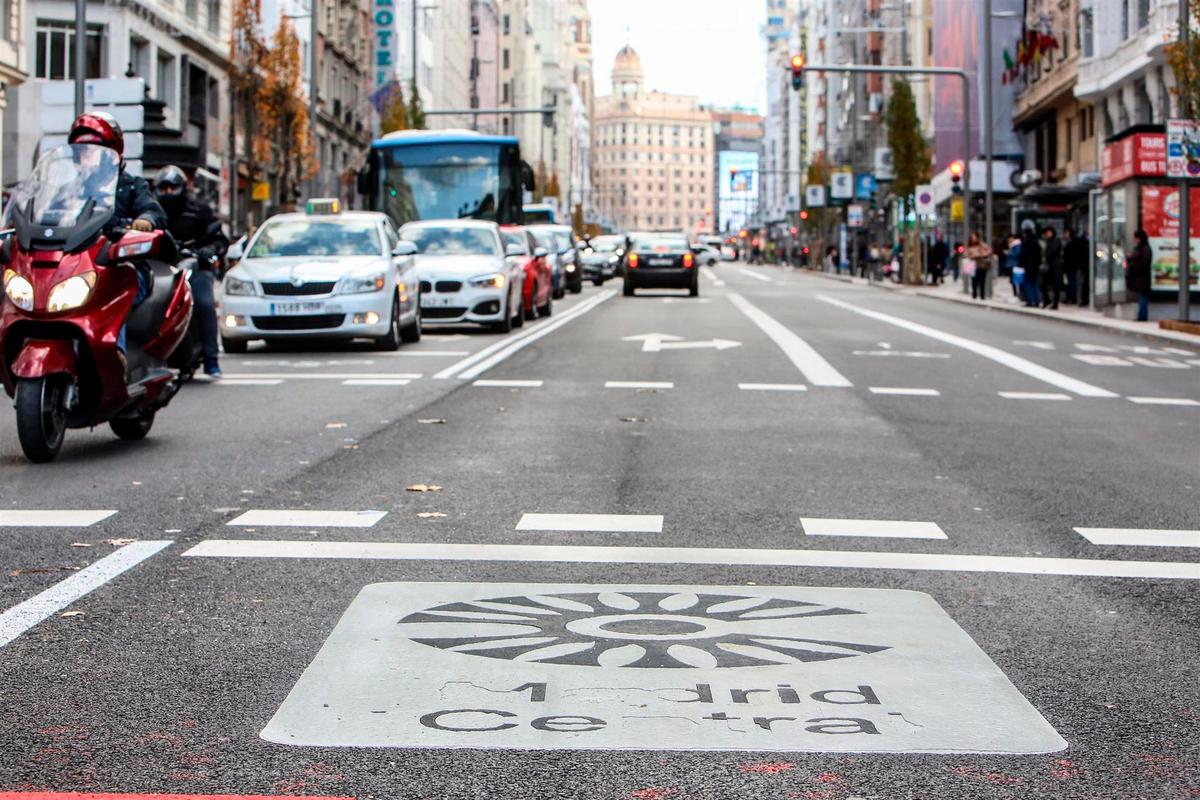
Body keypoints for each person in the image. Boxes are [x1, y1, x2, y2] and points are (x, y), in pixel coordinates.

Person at [67, 111, 167, 363]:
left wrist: (145, 221)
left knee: (117, 288)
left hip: (117, 263)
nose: (87, 156)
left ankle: (116, 355)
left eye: (93, 149)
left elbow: (153, 210)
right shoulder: (68, 189)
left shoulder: (131, 185)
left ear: (113, 151)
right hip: (74, 266)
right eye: (81, 150)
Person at [155, 165, 229, 378]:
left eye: (172, 187)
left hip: (194, 267)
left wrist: (208, 250)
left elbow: (219, 238)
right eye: (164, 188)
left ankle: (211, 360)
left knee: (204, 304)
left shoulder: (200, 210)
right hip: (161, 269)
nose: (168, 192)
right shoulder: (152, 211)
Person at [1125, 229, 1153, 321]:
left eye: (1136, 238)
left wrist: (1132, 266)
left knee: (1143, 297)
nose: (1135, 240)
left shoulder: (1144, 249)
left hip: (1142, 277)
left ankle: (1142, 316)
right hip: (1141, 277)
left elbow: (1143, 263)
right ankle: (1141, 315)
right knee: (1142, 296)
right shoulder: (1142, 248)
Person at [964, 231, 993, 301]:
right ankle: (974, 294)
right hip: (972, 264)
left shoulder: (982, 245)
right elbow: (966, 254)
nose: (973, 238)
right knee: (974, 280)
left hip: (982, 263)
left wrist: (982, 254)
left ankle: (982, 295)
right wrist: (971, 256)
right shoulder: (969, 246)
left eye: (974, 237)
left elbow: (989, 250)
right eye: (972, 237)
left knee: (982, 280)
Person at [1018, 222, 1042, 307]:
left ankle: (1030, 301)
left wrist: (1020, 264)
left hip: (1027, 265)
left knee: (1027, 283)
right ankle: (1037, 301)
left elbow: (1022, 254)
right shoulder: (1036, 241)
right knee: (1035, 283)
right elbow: (1039, 254)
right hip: (1035, 265)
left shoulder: (1025, 242)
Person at [1063, 226, 1087, 305]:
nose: (1065, 235)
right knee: (1070, 282)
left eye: (1066, 233)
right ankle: (1070, 297)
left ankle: (1073, 298)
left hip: (1072, 265)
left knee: (1072, 282)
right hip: (1070, 265)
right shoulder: (1069, 242)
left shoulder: (1074, 242)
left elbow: (1074, 255)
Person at [1042, 226, 1063, 309]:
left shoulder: (1055, 241)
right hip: (1050, 265)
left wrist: (1046, 254)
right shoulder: (1048, 241)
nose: (1048, 234)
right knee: (1044, 284)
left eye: (1049, 232)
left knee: (1055, 285)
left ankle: (1055, 303)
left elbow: (1053, 251)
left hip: (1055, 266)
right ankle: (1048, 301)